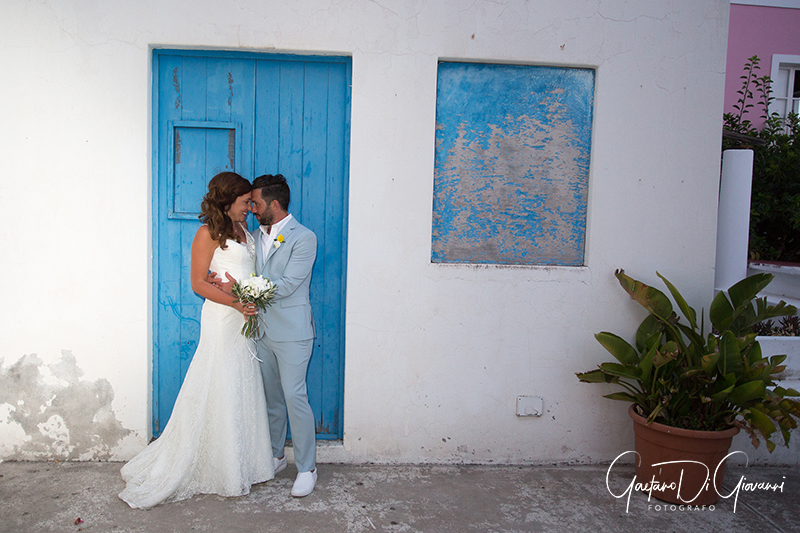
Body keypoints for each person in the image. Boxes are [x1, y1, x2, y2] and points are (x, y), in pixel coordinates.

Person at [118, 172, 274, 509]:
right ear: (227, 201)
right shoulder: (207, 234)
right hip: (222, 319)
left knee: (241, 382)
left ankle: (243, 462)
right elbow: (198, 283)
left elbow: (247, 273)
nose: (249, 207)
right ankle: (218, 466)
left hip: (243, 316)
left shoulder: (244, 231)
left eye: (250, 201)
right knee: (219, 380)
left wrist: (249, 295)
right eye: (245, 201)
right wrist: (235, 301)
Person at [249, 173, 319, 497]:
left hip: (292, 334)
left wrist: (247, 291)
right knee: (272, 399)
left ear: (274, 204)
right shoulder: (254, 235)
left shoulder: (304, 238)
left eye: (257, 203)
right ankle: (276, 456)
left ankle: (307, 467)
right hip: (262, 330)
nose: (252, 208)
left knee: (294, 396)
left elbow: (289, 284)